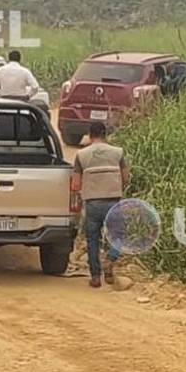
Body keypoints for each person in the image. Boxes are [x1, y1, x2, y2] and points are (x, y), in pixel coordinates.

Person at [72, 121, 131, 289]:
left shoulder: (81, 155)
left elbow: (76, 184)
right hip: (113, 201)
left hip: (92, 202)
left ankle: (96, 277)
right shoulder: (117, 153)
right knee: (117, 235)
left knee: (92, 240)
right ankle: (110, 259)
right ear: (105, 134)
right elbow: (126, 178)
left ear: (89, 135)